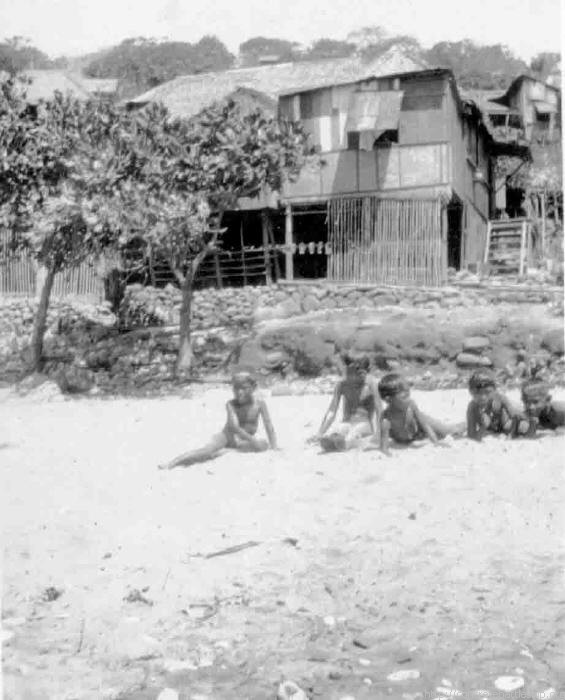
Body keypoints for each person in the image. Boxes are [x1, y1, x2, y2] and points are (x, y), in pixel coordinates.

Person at [158, 371, 277, 469]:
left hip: (243, 440)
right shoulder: (231, 404)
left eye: (244, 388)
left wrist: (274, 445)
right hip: (227, 437)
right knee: (207, 451)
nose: (239, 392)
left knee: (264, 445)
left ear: (253, 388)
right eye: (236, 389)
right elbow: (234, 427)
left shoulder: (260, 404)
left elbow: (268, 425)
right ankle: (172, 463)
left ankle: (229, 450)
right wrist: (254, 441)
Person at [312, 353, 383, 452]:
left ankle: (345, 444)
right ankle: (332, 442)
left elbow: (379, 410)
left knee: (353, 433)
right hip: (347, 422)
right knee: (337, 430)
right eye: (350, 371)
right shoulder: (341, 385)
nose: (354, 375)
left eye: (358, 371)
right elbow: (332, 411)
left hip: (364, 423)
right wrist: (320, 432)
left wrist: (378, 434)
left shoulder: (370, 384)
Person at [378, 373, 463, 454]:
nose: (407, 392)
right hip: (415, 436)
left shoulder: (411, 406)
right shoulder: (386, 419)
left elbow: (424, 424)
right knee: (445, 434)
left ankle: (466, 424)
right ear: (388, 399)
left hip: (421, 425)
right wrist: (386, 452)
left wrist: (435, 442)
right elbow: (384, 444)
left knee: (449, 431)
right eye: (401, 391)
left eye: (407, 389)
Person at [466, 369, 530, 440]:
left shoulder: (499, 398)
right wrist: (483, 427)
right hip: (494, 428)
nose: (483, 397)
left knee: (519, 425)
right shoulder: (472, 407)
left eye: (487, 392)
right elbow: (471, 436)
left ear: (494, 390)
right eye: (477, 393)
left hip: (507, 423)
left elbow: (514, 414)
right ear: (471, 392)